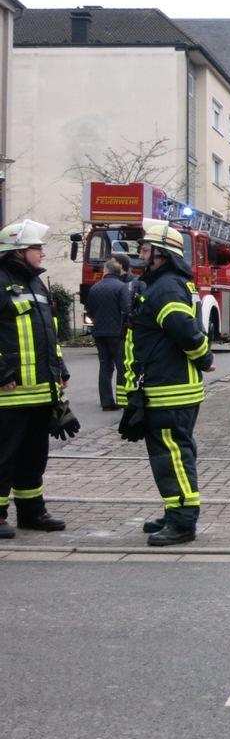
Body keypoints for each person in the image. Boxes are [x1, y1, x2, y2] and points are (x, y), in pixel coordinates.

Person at [121, 220, 215, 546]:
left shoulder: (164, 287)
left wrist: (205, 358)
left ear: (161, 255)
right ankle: (174, 510)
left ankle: (183, 522)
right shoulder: (168, 284)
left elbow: (184, 329)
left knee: (173, 456)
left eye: (146, 250)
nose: (140, 255)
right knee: (168, 456)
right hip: (166, 386)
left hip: (169, 390)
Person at [0, 219, 69, 537]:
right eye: (36, 247)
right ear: (17, 251)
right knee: (4, 456)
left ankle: (31, 513)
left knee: (33, 457)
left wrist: (61, 370)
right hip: (8, 393)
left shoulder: (35, 284)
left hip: (40, 391)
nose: (42, 252)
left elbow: (46, 335)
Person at [85, 257, 132, 411]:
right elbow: (127, 309)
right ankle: (121, 399)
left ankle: (106, 401)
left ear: (106, 271)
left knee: (105, 366)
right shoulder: (122, 287)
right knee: (121, 366)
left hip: (98, 332)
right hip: (117, 333)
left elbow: (89, 311)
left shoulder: (94, 288)